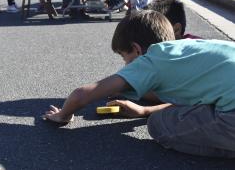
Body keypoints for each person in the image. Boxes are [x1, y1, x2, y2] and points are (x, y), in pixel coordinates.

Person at [43, 10, 235, 158]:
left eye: (124, 58)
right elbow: (192, 100)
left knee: (159, 125)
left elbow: (82, 94)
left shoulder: (150, 60)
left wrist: (62, 115)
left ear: (136, 49)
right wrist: (144, 111)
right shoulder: (188, 48)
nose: (125, 65)